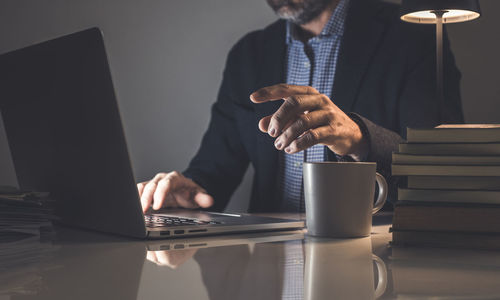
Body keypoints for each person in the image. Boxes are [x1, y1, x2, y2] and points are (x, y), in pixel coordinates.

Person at [137, 0, 463, 213]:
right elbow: (213, 174)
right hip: (270, 271)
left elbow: (440, 175)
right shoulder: (248, 55)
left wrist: (360, 138)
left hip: (374, 265)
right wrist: (186, 191)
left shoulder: (413, 37)